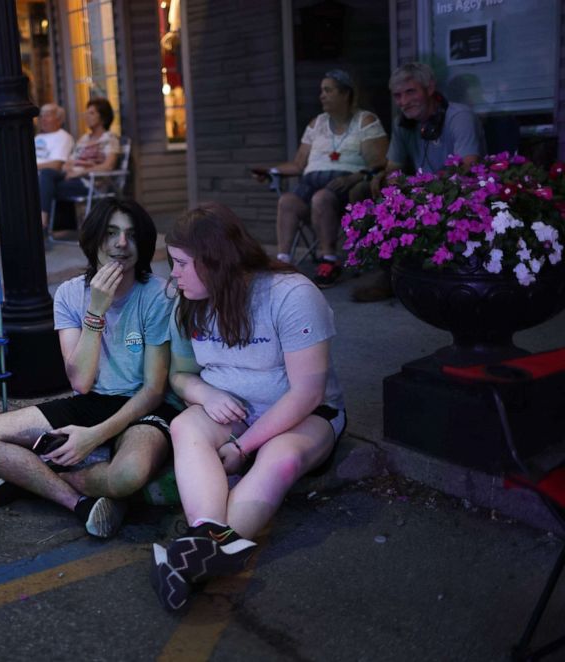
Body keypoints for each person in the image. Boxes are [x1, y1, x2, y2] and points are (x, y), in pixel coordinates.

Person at [150, 202, 346, 612]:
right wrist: (206, 394)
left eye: (182, 263)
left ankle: (194, 559)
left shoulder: (290, 294)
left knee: (281, 455)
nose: (174, 274)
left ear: (215, 262)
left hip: (304, 415)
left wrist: (243, 448)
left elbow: (307, 394)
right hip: (230, 409)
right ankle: (207, 537)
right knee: (186, 426)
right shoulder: (188, 299)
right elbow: (181, 375)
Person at [0, 199, 179, 539]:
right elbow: (80, 382)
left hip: (142, 406)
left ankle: (40, 480)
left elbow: (154, 389)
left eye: (131, 235)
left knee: (130, 473)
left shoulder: (158, 295)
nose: (121, 244)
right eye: (110, 233)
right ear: (93, 240)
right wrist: (96, 311)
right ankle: (76, 501)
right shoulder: (69, 293)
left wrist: (95, 435)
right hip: (92, 398)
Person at [356, 62, 486, 303]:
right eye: (397, 95)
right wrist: (383, 179)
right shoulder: (402, 122)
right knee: (364, 191)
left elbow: (468, 166)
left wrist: (422, 188)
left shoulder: (459, 117)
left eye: (410, 92)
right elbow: (393, 168)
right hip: (421, 196)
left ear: (430, 88)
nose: (404, 101)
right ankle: (389, 275)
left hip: (459, 194)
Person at [252, 70, 387, 289]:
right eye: (321, 91)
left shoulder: (365, 121)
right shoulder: (316, 124)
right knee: (287, 201)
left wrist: (355, 177)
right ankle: (284, 260)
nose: (321, 96)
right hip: (311, 184)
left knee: (321, 198)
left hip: (346, 192)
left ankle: (329, 261)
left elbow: (380, 163)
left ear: (345, 94)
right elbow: (297, 165)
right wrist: (270, 170)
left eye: (328, 90)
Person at [0, 102, 75, 244]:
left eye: (48, 115)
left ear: (59, 119)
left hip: (42, 176)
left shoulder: (63, 137)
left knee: (1, 176)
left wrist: (28, 166)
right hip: (27, 172)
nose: (43, 118)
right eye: (41, 115)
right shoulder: (37, 138)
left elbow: (56, 165)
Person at [38, 97, 120, 234]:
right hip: (71, 178)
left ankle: (42, 224)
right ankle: (42, 223)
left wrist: (81, 172)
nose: (86, 116)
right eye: (87, 112)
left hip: (91, 183)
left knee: (43, 185)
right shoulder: (84, 139)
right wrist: (69, 167)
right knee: (46, 174)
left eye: (92, 113)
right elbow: (69, 162)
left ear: (103, 117)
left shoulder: (110, 139)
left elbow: (108, 166)